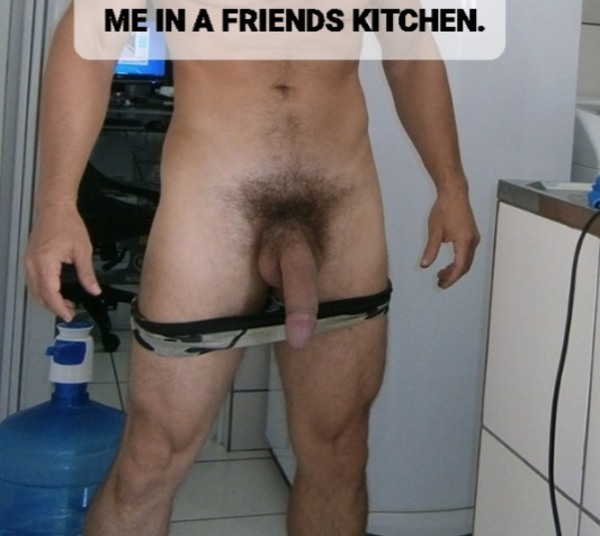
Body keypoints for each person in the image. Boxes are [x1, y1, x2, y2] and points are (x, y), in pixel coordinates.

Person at [24, 3, 480, 535]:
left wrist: (452, 184)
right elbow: (91, 42)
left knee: (339, 451)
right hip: (213, 204)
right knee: (151, 459)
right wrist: (56, 203)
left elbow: (409, 52)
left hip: (340, 202)